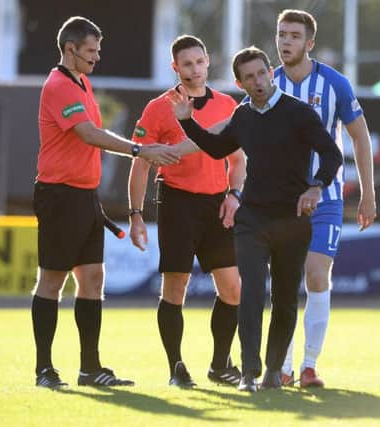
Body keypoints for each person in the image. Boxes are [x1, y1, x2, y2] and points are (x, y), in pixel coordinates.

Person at [169, 46, 342, 392]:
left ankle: (275, 370)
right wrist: (187, 121)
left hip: (292, 219)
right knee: (250, 294)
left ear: (270, 73)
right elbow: (218, 149)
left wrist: (316, 187)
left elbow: (331, 154)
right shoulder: (243, 116)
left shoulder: (299, 113)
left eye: (262, 73)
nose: (258, 81)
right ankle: (250, 372)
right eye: (249, 77)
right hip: (252, 220)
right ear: (240, 82)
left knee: (284, 298)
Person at [31, 16, 178, 389]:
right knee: (52, 280)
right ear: (70, 49)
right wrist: (139, 149)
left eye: (98, 50)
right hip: (60, 195)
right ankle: (44, 370)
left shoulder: (81, 82)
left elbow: (90, 135)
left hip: (83, 195)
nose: (97, 57)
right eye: (91, 51)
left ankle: (89, 368)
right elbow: (88, 134)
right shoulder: (59, 85)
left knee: (93, 279)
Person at [128, 35, 245, 388]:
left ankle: (220, 365)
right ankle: (176, 367)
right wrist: (135, 214)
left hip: (216, 204)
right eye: (186, 64)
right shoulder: (158, 107)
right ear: (175, 68)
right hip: (177, 202)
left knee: (233, 290)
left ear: (208, 61)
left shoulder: (227, 105)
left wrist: (234, 194)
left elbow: (238, 160)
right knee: (175, 285)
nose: (194, 69)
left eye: (199, 61)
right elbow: (140, 164)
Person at [274, 9, 377, 388]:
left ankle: (309, 365)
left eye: (294, 36)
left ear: (309, 43)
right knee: (282, 281)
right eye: (281, 34)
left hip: (326, 198)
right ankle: (281, 367)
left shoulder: (335, 84)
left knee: (317, 277)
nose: (286, 42)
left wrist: (368, 194)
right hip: (280, 201)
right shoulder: (267, 83)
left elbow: (360, 137)